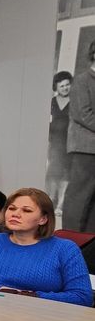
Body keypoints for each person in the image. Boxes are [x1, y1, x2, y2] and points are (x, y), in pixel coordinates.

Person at [0, 188, 93, 306]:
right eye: (11, 208)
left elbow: (82, 297)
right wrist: (1, 290)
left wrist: (31, 296)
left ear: (43, 219)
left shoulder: (65, 249)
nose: (15, 214)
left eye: (26, 210)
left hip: (43, 317)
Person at [64, 41, 95, 232]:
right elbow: (83, 114)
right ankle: (71, 238)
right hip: (85, 148)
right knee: (79, 196)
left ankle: (89, 241)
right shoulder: (82, 80)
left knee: (92, 200)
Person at [47, 71, 72, 216]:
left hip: (69, 143)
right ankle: (50, 200)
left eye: (67, 85)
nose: (65, 88)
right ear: (56, 87)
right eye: (62, 86)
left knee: (66, 175)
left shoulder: (75, 102)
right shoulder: (51, 102)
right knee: (53, 173)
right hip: (54, 143)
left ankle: (60, 205)